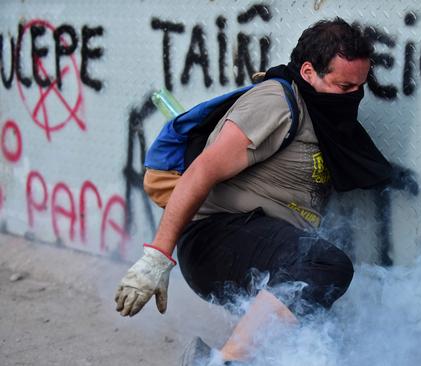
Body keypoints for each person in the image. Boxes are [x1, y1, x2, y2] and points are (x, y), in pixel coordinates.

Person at [114, 18, 392, 365]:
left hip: (273, 250)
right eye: (344, 86)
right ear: (308, 72)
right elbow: (202, 170)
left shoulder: (322, 116)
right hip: (217, 238)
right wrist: (156, 258)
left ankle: (213, 357)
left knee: (322, 340)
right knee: (324, 263)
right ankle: (222, 363)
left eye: (359, 87)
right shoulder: (275, 101)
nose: (354, 97)